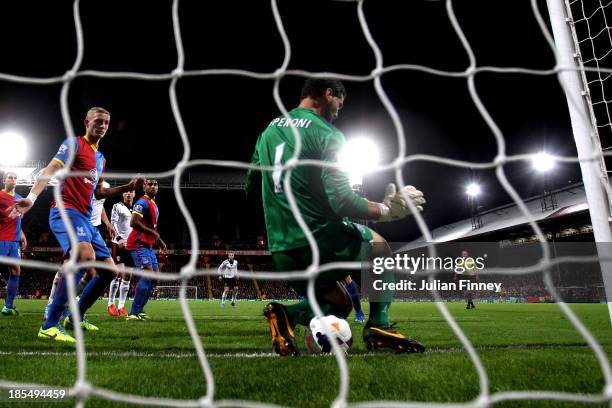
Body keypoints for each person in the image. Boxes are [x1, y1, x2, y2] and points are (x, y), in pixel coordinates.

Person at [246, 78, 427, 355]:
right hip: (319, 238)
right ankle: (378, 325)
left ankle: (286, 316)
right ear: (328, 94)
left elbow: (251, 186)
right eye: (338, 106)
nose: (337, 113)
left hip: (282, 248)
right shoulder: (327, 134)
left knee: (339, 305)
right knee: (380, 247)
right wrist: (386, 210)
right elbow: (343, 201)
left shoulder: (267, 131)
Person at [13, 107, 144, 343]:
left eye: (106, 123)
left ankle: (75, 316)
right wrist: (31, 198)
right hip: (65, 210)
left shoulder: (100, 159)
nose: (102, 126)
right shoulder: (73, 144)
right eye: (98, 121)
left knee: (108, 272)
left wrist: (127, 188)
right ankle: (49, 324)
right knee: (84, 255)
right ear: (86, 122)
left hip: (85, 218)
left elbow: (99, 192)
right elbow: (50, 169)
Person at [125, 179, 166, 321]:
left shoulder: (153, 204)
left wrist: (158, 240)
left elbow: (152, 228)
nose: (153, 186)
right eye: (150, 184)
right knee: (147, 275)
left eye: (155, 184)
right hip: (137, 244)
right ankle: (132, 313)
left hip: (148, 246)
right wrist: (155, 235)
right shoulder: (142, 202)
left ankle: (140, 310)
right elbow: (133, 222)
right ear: (144, 187)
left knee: (154, 278)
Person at [0, 172, 27, 315]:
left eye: (15, 177)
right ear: (5, 180)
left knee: (16, 271)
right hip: (1, 238)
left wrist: (22, 234)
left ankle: (8, 306)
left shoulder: (19, 199)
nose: (13, 180)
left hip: (14, 242)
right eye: (10, 177)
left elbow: (18, 220)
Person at [108, 189, 135, 317]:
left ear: (134, 194)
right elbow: (113, 223)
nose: (128, 194)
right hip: (118, 244)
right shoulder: (117, 206)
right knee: (117, 274)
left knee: (128, 276)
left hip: (131, 245)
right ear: (123, 194)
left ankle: (122, 306)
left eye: (131, 192)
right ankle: (111, 304)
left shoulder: (136, 209)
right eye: (126, 192)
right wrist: (119, 239)